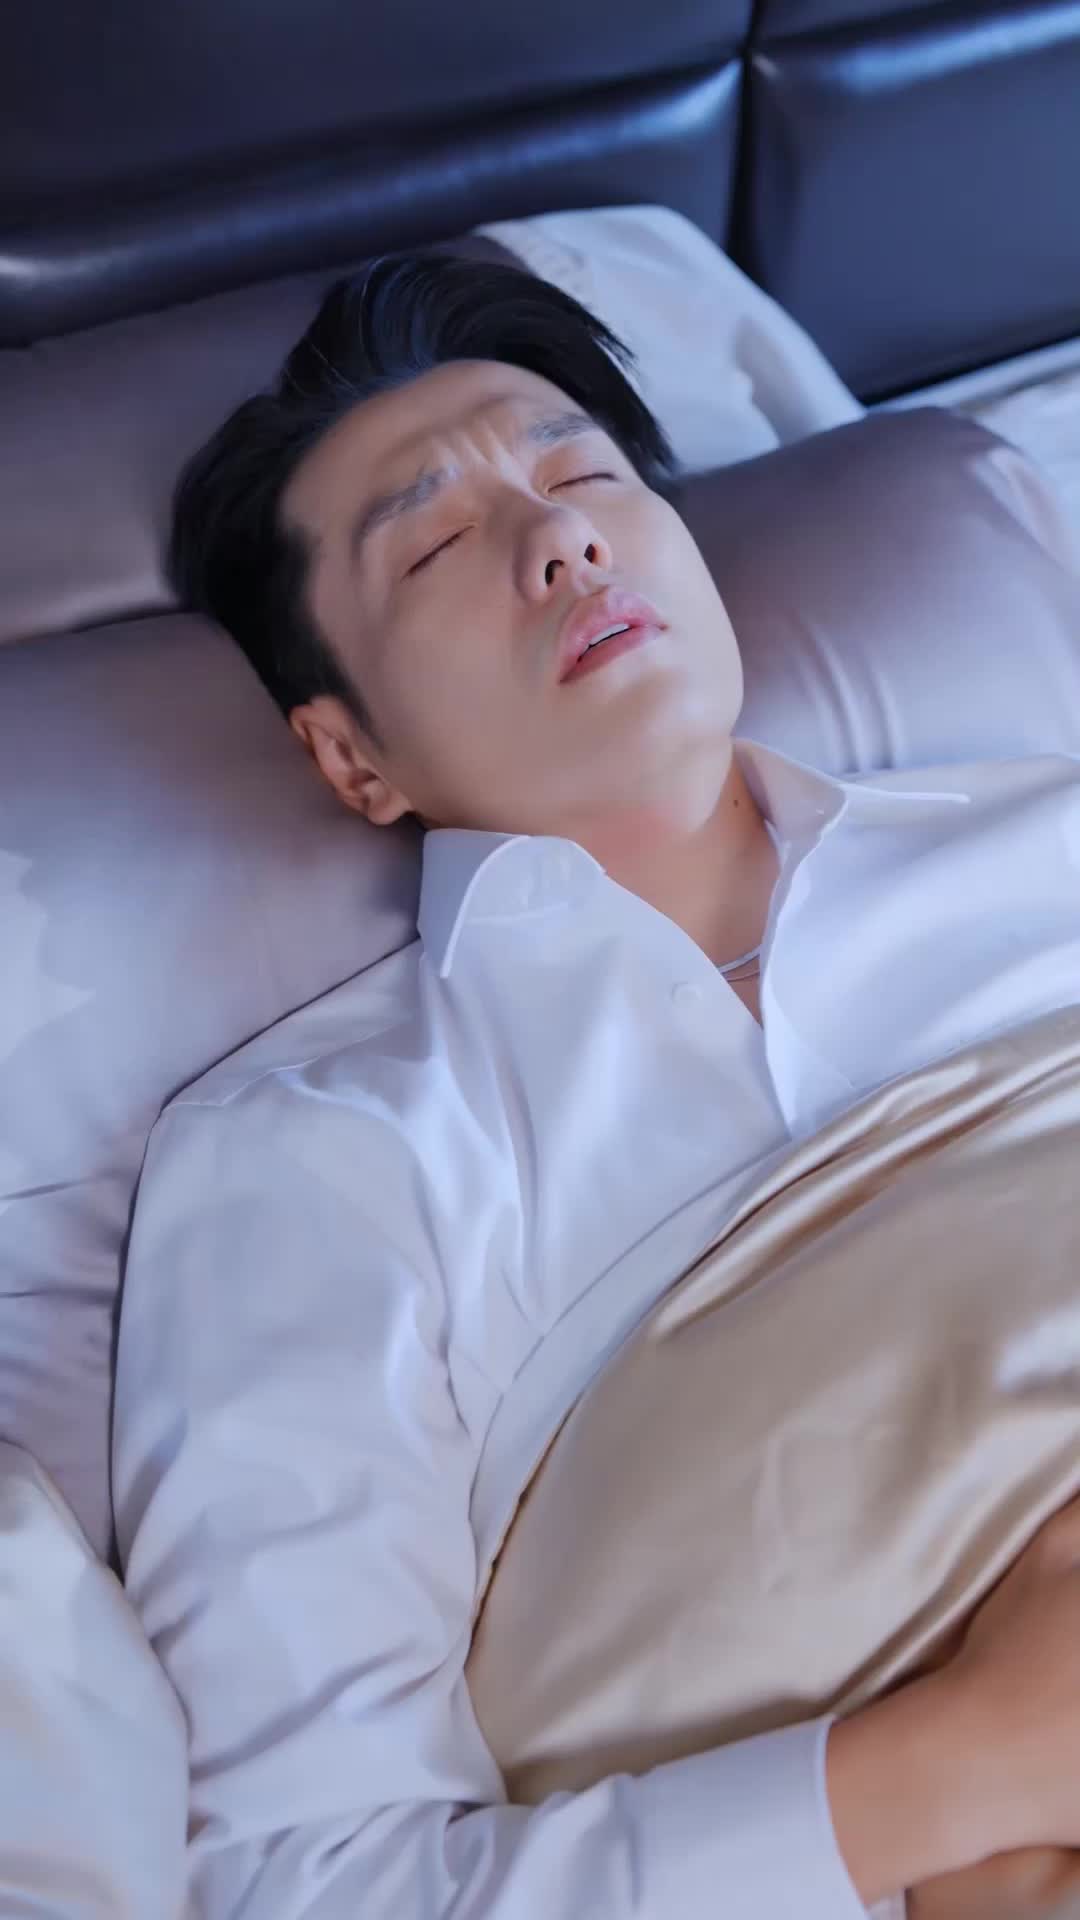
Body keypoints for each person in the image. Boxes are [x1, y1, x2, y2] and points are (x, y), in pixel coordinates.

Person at [113, 250, 1080, 1920]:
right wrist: (976, 1758)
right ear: (350, 754)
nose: (557, 543)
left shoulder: (1051, 840)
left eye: (584, 479)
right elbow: (315, 1878)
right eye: (433, 544)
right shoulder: (314, 1163)